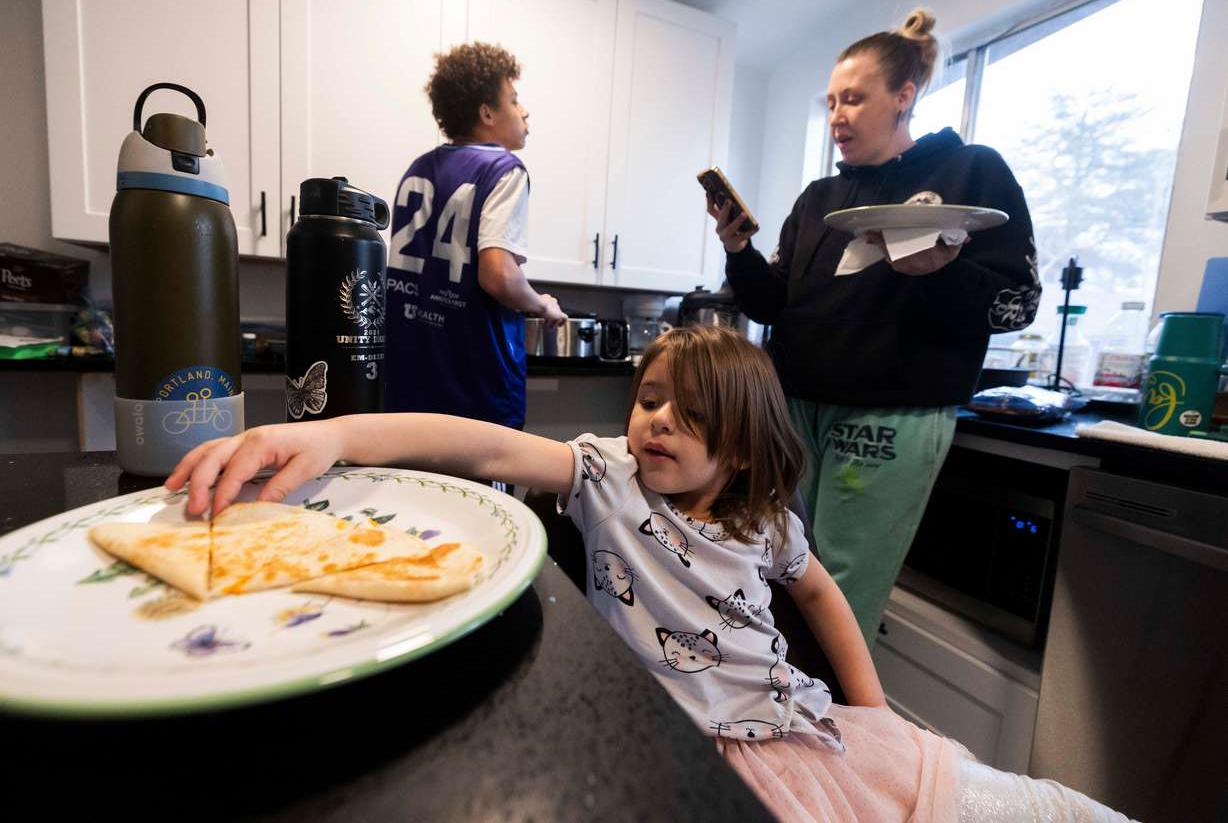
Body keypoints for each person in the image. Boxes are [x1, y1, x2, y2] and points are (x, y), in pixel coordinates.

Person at [168, 326, 1133, 823]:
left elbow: (821, 593)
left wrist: (870, 703)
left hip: (805, 734)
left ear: (747, 450)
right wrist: (331, 432)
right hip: (691, 751)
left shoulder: (764, 520)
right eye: (651, 397)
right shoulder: (604, 477)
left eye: (691, 410)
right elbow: (478, 445)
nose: (657, 418)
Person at [708, 8, 1041, 648]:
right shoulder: (819, 200)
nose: (837, 114)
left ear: (904, 96)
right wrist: (738, 251)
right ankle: (772, 710)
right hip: (795, 408)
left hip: (890, 417)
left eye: (854, 99)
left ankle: (830, 733)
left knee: (840, 590)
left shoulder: (970, 172)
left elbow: (1018, 303)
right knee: (774, 569)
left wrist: (940, 270)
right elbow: (774, 305)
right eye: (831, 101)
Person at [386, 42, 566, 432]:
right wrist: (542, 305)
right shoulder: (503, 168)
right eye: (514, 100)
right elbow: (498, 275)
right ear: (486, 112)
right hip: (476, 398)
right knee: (482, 495)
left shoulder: (418, 169)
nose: (525, 110)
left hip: (408, 393)